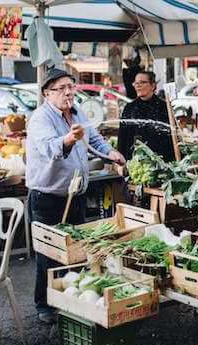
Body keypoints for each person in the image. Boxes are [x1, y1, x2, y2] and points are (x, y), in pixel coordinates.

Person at [26, 68, 125, 324]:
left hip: (76, 195)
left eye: (71, 86)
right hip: (48, 198)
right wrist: (69, 139)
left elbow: (95, 140)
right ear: (48, 93)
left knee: (77, 251)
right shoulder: (40, 119)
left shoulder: (78, 112)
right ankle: (44, 305)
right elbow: (50, 149)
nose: (69, 92)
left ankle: (71, 299)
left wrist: (110, 154)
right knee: (50, 254)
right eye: (62, 88)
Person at [118, 71, 173, 161]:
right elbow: (122, 137)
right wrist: (121, 160)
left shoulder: (164, 107)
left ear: (153, 85)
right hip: (135, 160)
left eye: (143, 82)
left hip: (160, 160)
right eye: (136, 83)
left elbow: (170, 136)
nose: (138, 85)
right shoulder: (130, 107)